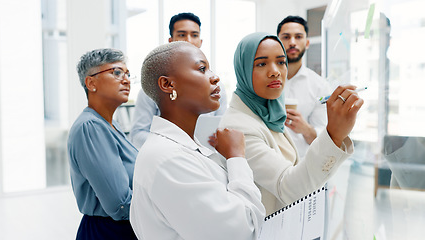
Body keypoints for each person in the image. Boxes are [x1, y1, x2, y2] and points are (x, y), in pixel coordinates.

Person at [129, 41, 265, 240]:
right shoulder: (169, 159)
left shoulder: (182, 149)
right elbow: (243, 231)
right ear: (168, 85)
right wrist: (236, 157)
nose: (215, 77)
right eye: (202, 69)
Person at [219, 32, 364, 216]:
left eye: (281, 62)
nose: (275, 71)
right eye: (262, 64)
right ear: (243, 70)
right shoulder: (239, 127)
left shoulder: (270, 114)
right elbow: (288, 187)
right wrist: (334, 135)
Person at [129, 12, 227, 149]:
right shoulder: (151, 88)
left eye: (194, 35)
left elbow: (221, 127)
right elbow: (137, 135)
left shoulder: (216, 87)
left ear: (200, 41)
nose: (189, 40)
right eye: (182, 35)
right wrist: (179, 145)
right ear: (171, 41)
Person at [68, 48, 138, 239]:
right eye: (116, 73)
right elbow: (119, 205)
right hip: (109, 231)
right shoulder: (90, 127)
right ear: (91, 83)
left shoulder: (111, 124)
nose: (126, 80)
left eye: (128, 74)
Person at [277, 15, 332, 158]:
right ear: (277, 42)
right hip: (265, 163)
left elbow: (325, 140)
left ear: (307, 43)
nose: (292, 42)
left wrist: (305, 129)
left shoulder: (320, 86)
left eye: (298, 36)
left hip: (301, 167)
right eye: (286, 37)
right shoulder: (262, 79)